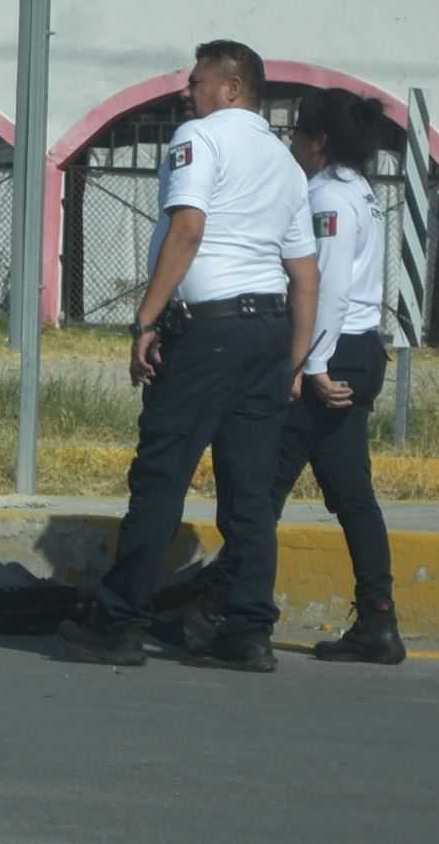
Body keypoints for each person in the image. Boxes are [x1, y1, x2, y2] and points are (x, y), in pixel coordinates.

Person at [59, 40, 319, 673]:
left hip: (206, 335)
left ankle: (121, 623)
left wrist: (146, 318)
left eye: (197, 81)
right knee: (250, 493)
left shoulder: (200, 140)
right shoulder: (286, 166)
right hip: (268, 334)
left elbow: (188, 228)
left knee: (162, 475)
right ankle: (249, 629)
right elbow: (306, 273)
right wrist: (294, 360)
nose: (188, 92)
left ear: (229, 88)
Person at [157, 88, 404, 664]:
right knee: (350, 493)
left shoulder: (326, 198)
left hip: (331, 356)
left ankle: (228, 614)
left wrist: (309, 365)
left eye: (297, 136)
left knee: (257, 491)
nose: (291, 144)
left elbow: (329, 285)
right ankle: (377, 619)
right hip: (356, 350)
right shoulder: (360, 194)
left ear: (318, 143)